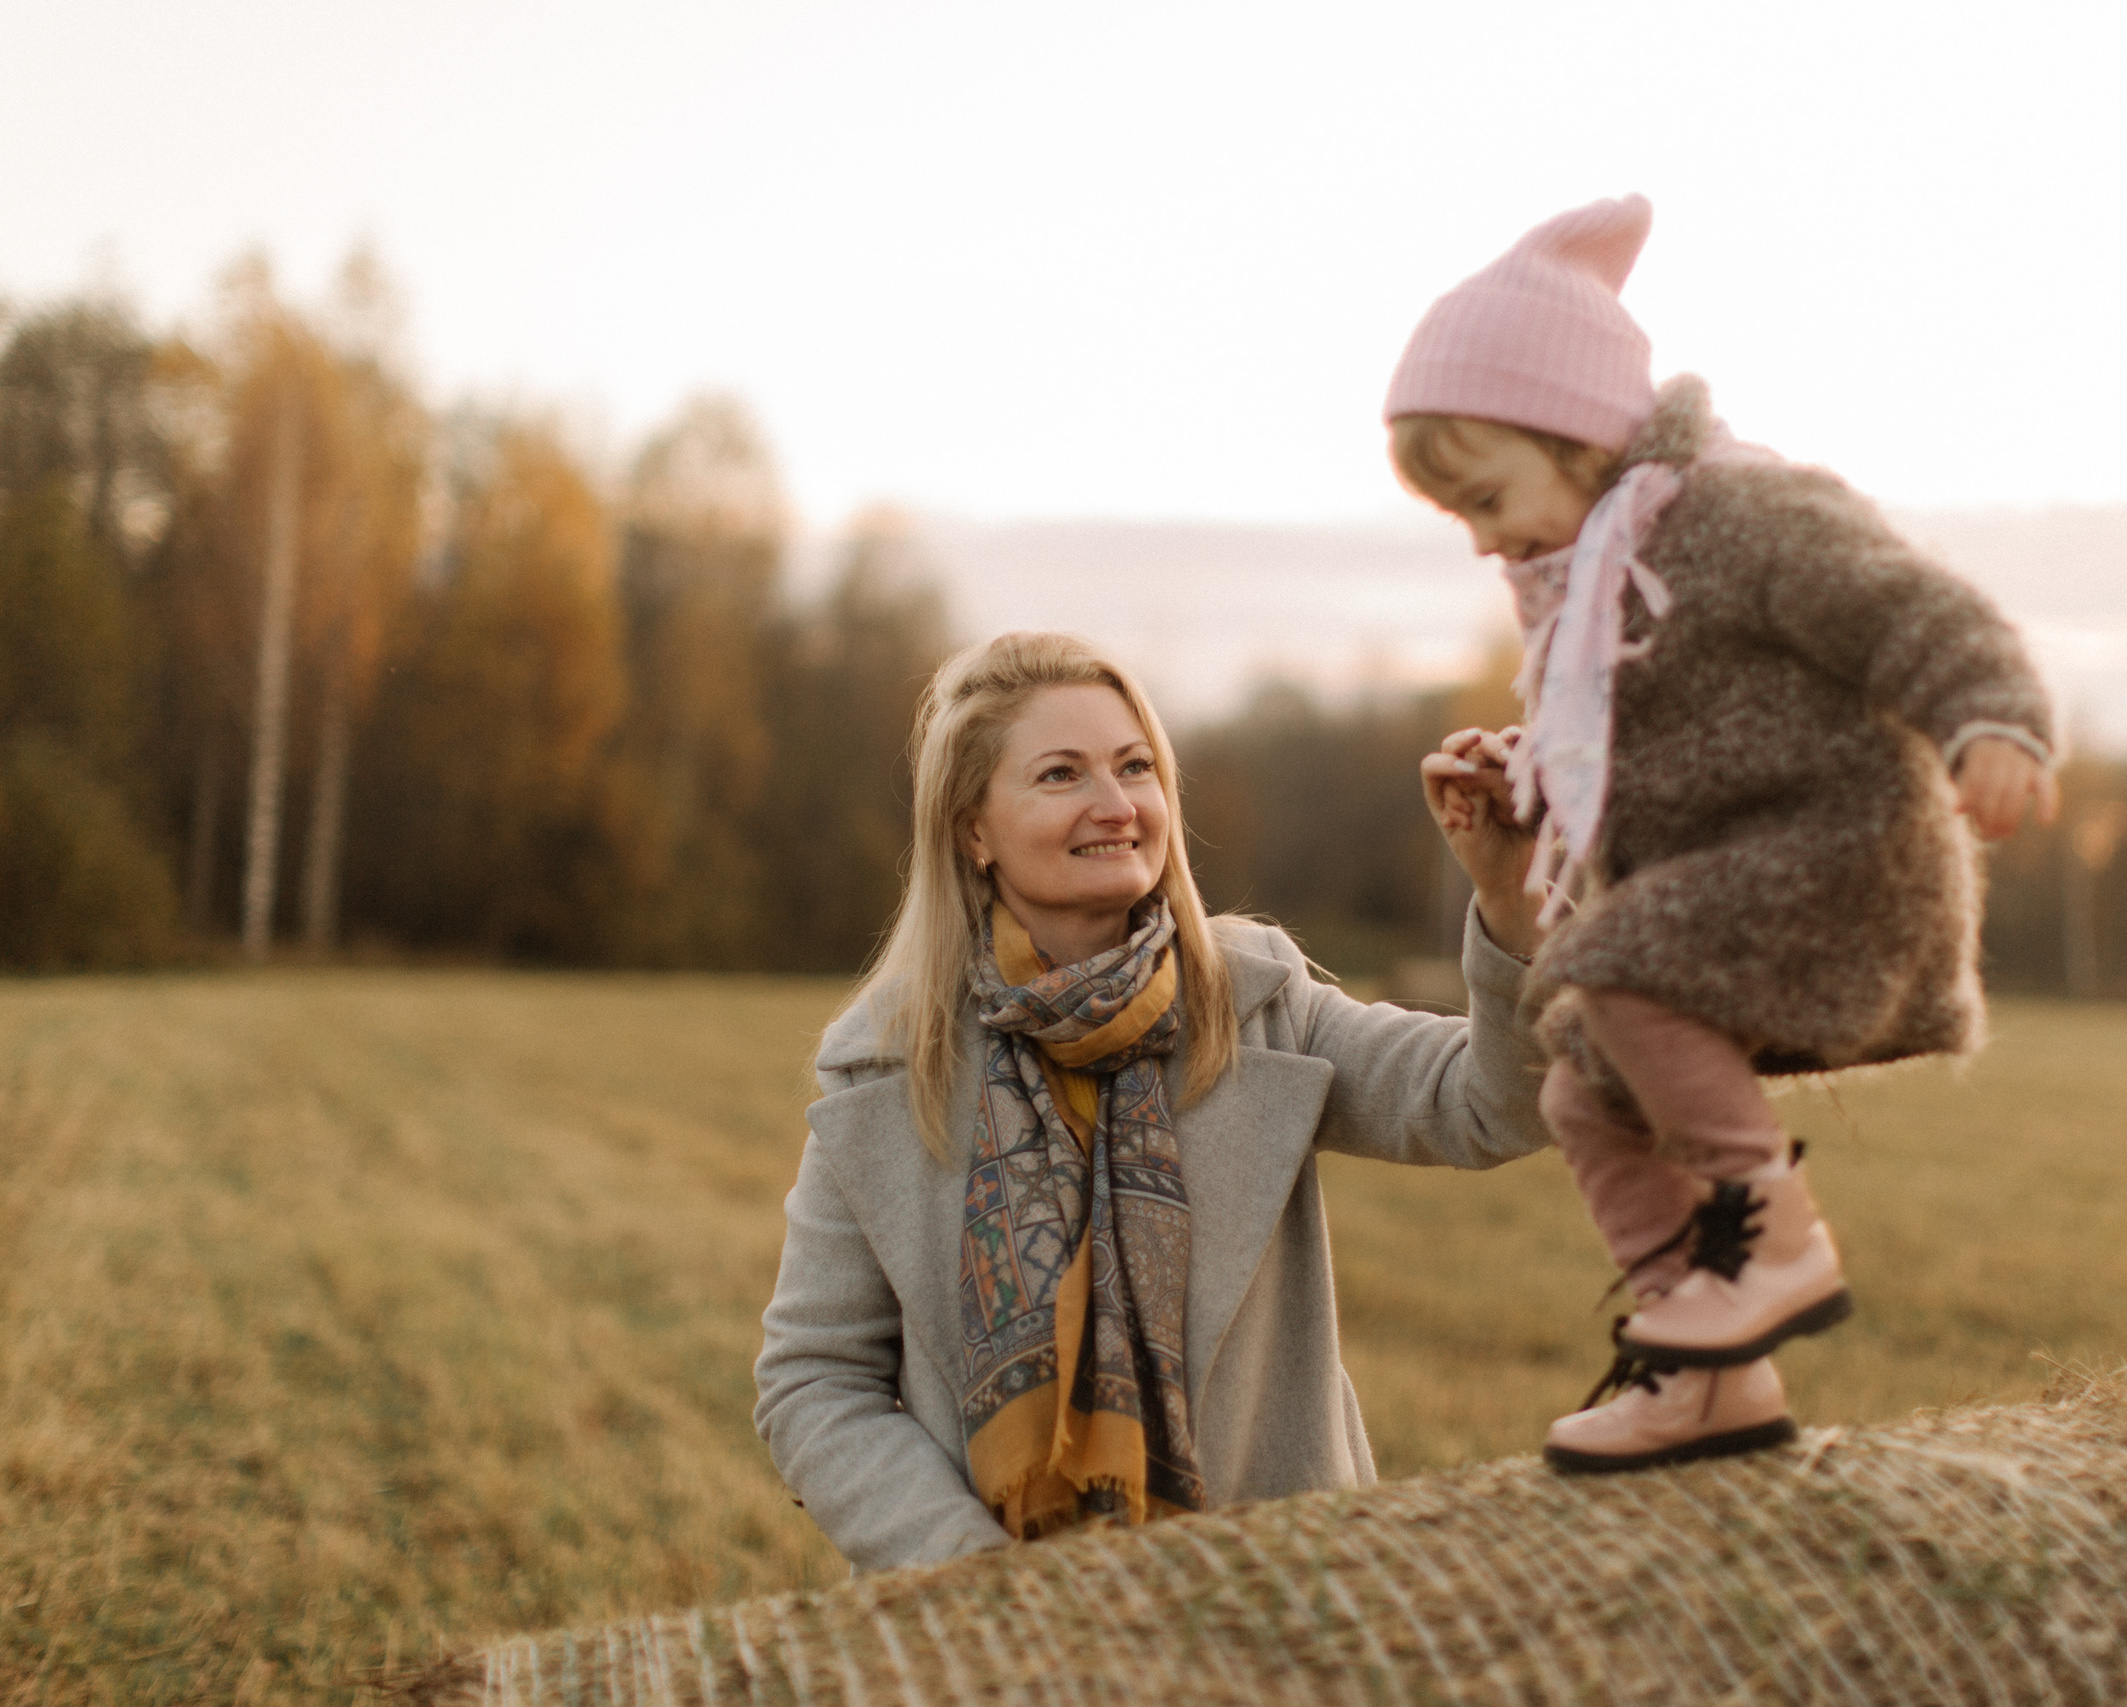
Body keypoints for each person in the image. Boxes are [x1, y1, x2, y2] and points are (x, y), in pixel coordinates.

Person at [1383, 195, 2059, 1473]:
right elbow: (1646, 754)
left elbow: (1911, 608)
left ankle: (1775, 1241)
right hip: (1729, 885)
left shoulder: (1743, 515)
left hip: (1842, 856)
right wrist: (1535, 777)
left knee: (1607, 967)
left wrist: (1993, 719)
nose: (1479, 538)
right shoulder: (1591, 587)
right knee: (1582, 1087)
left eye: (1485, 494)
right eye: (1453, 517)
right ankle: (1706, 1361)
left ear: (1575, 431)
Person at [754, 631, 1549, 1570]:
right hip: (1005, 1635)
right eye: (1061, 774)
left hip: (1276, 1598)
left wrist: (1510, 900)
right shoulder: (891, 1065)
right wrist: (971, 1573)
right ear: (973, 828)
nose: (1117, 805)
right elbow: (815, 1379)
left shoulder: (1258, 1001)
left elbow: (1490, 1103)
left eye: (1137, 767)